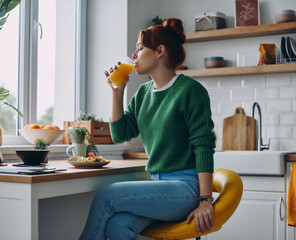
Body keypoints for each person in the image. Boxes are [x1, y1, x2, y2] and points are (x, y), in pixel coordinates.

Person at [80, 18, 216, 240]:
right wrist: (117, 94)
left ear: (159, 51)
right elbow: (120, 134)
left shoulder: (190, 90)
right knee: (117, 226)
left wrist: (205, 200)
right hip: (158, 185)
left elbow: (203, 146)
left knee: (106, 197)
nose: (134, 56)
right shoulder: (143, 93)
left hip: (185, 187)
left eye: (140, 48)